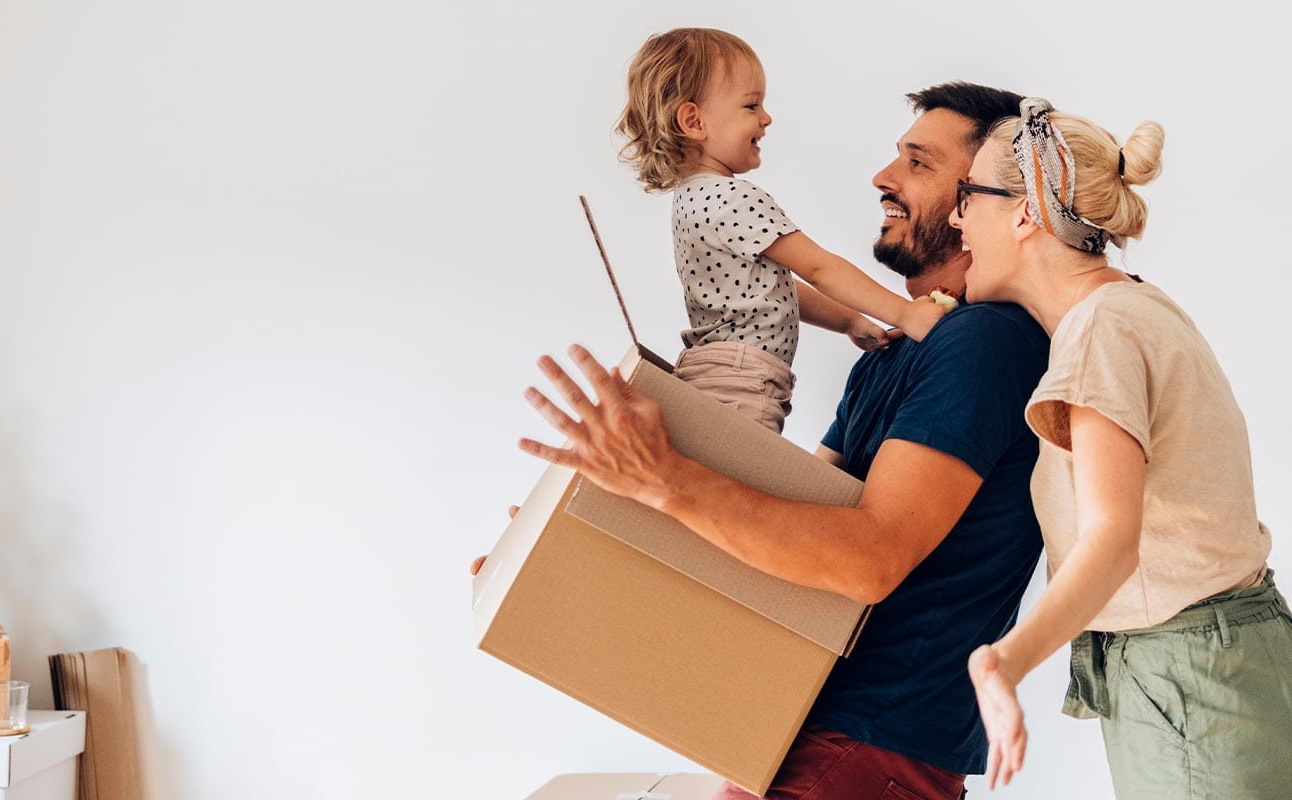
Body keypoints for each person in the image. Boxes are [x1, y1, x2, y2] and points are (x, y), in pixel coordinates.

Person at [476, 82, 1043, 799]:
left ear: (983, 202)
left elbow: (868, 561)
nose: (883, 178)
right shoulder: (898, 349)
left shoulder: (985, 342)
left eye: (918, 163)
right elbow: (782, 535)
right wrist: (588, 536)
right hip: (807, 733)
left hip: (872, 748)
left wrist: (662, 479)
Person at [954, 98, 1290, 797]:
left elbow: (1113, 540)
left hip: (1191, 679)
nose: (957, 220)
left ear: (1024, 215)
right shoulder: (1134, 306)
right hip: (1212, 666)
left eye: (967, 197)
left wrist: (1002, 664)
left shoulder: (1099, 329)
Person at [615, 28, 948, 432]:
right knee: (742, 481)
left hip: (712, 372)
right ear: (694, 121)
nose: (766, 117)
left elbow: (772, 287)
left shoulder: (692, 199)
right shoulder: (733, 198)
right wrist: (906, 313)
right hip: (743, 381)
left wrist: (848, 321)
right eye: (751, 105)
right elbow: (819, 268)